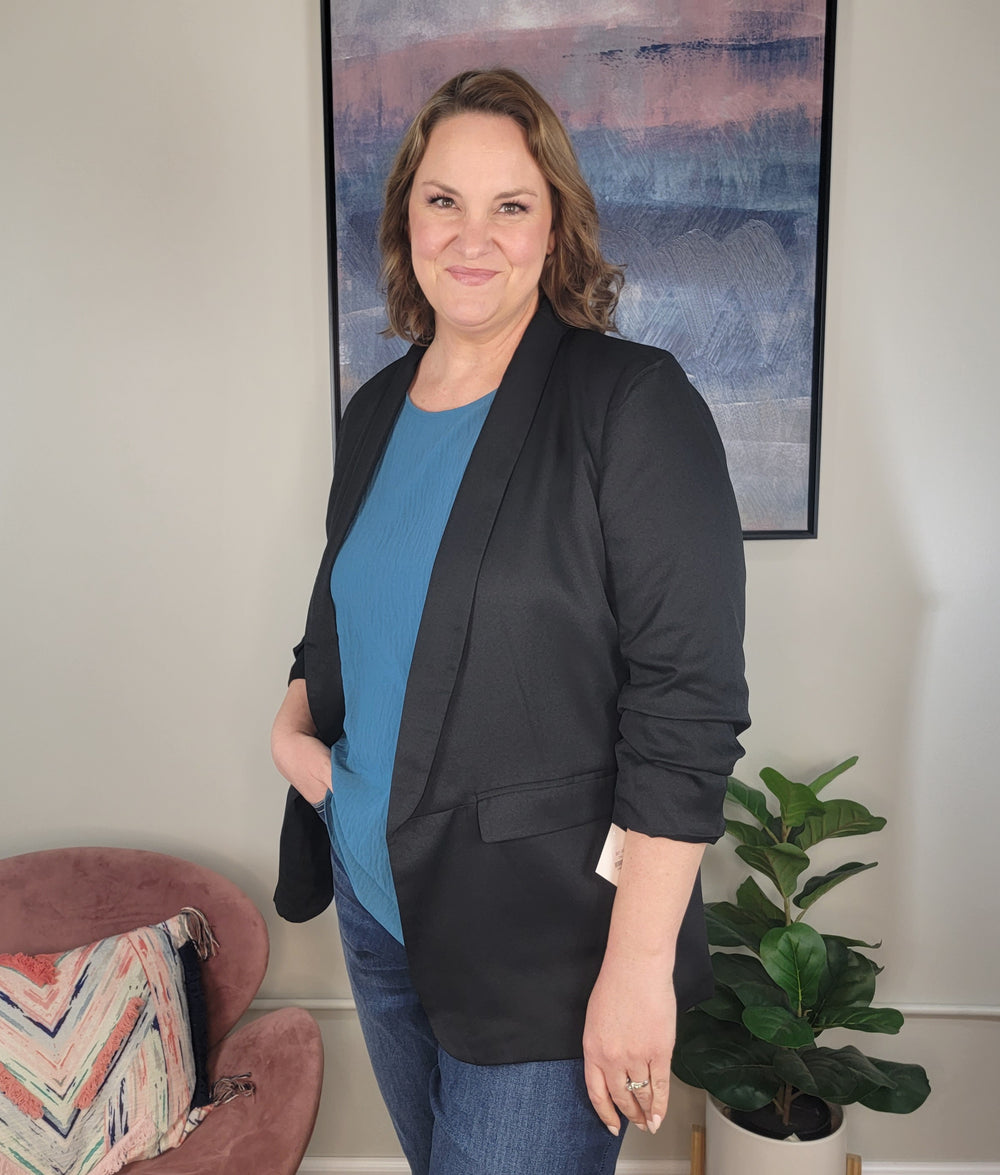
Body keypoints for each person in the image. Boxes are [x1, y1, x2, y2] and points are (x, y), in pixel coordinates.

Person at [270, 68, 749, 1175]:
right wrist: (292, 737)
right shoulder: (376, 409)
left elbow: (687, 706)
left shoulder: (630, 403)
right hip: (378, 905)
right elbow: (341, 617)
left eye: (510, 205)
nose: (471, 236)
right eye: (443, 200)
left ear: (555, 226)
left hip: (548, 941)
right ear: (405, 217)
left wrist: (633, 969)